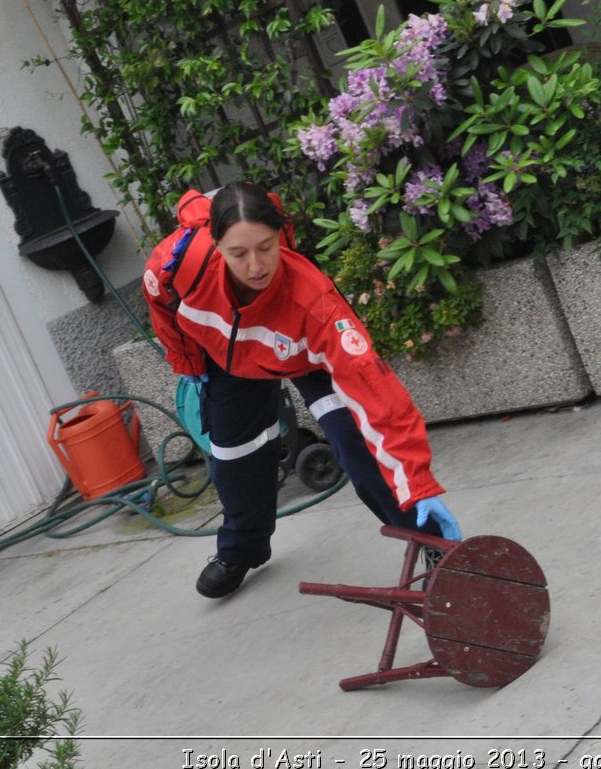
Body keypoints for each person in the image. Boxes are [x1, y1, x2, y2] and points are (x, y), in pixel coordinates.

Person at [142, 182, 461, 599]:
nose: (256, 265)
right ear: (216, 244)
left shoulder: (316, 303)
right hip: (231, 358)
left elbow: (375, 391)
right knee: (232, 455)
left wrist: (417, 481)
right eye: (239, 253)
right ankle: (243, 548)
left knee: (357, 446)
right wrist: (189, 364)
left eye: (266, 247)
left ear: (280, 236)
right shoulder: (181, 264)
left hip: (305, 355)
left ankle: (435, 543)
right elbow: (161, 305)